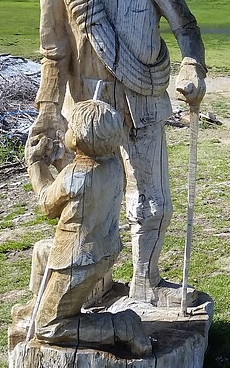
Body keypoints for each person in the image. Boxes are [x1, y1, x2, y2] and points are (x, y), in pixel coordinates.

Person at [26, 0, 206, 305]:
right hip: (85, 109)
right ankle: (88, 285)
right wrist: (48, 113)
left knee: (152, 198)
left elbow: (186, 26)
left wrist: (191, 66)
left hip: (143, 99)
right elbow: (55, 53)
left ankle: (146, 280)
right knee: (87, 204)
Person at [22, 99, 151, 357]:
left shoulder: (75, 175)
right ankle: (39, 306)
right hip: (101, 250)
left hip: (76, 259)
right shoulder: (114, 166)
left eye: (70, 128)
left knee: (49, 328)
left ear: (79, 136)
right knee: (41, 250)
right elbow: (81, 190)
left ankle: (119, 326)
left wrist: (35, 165)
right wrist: (61, 162)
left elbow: (48, 204)